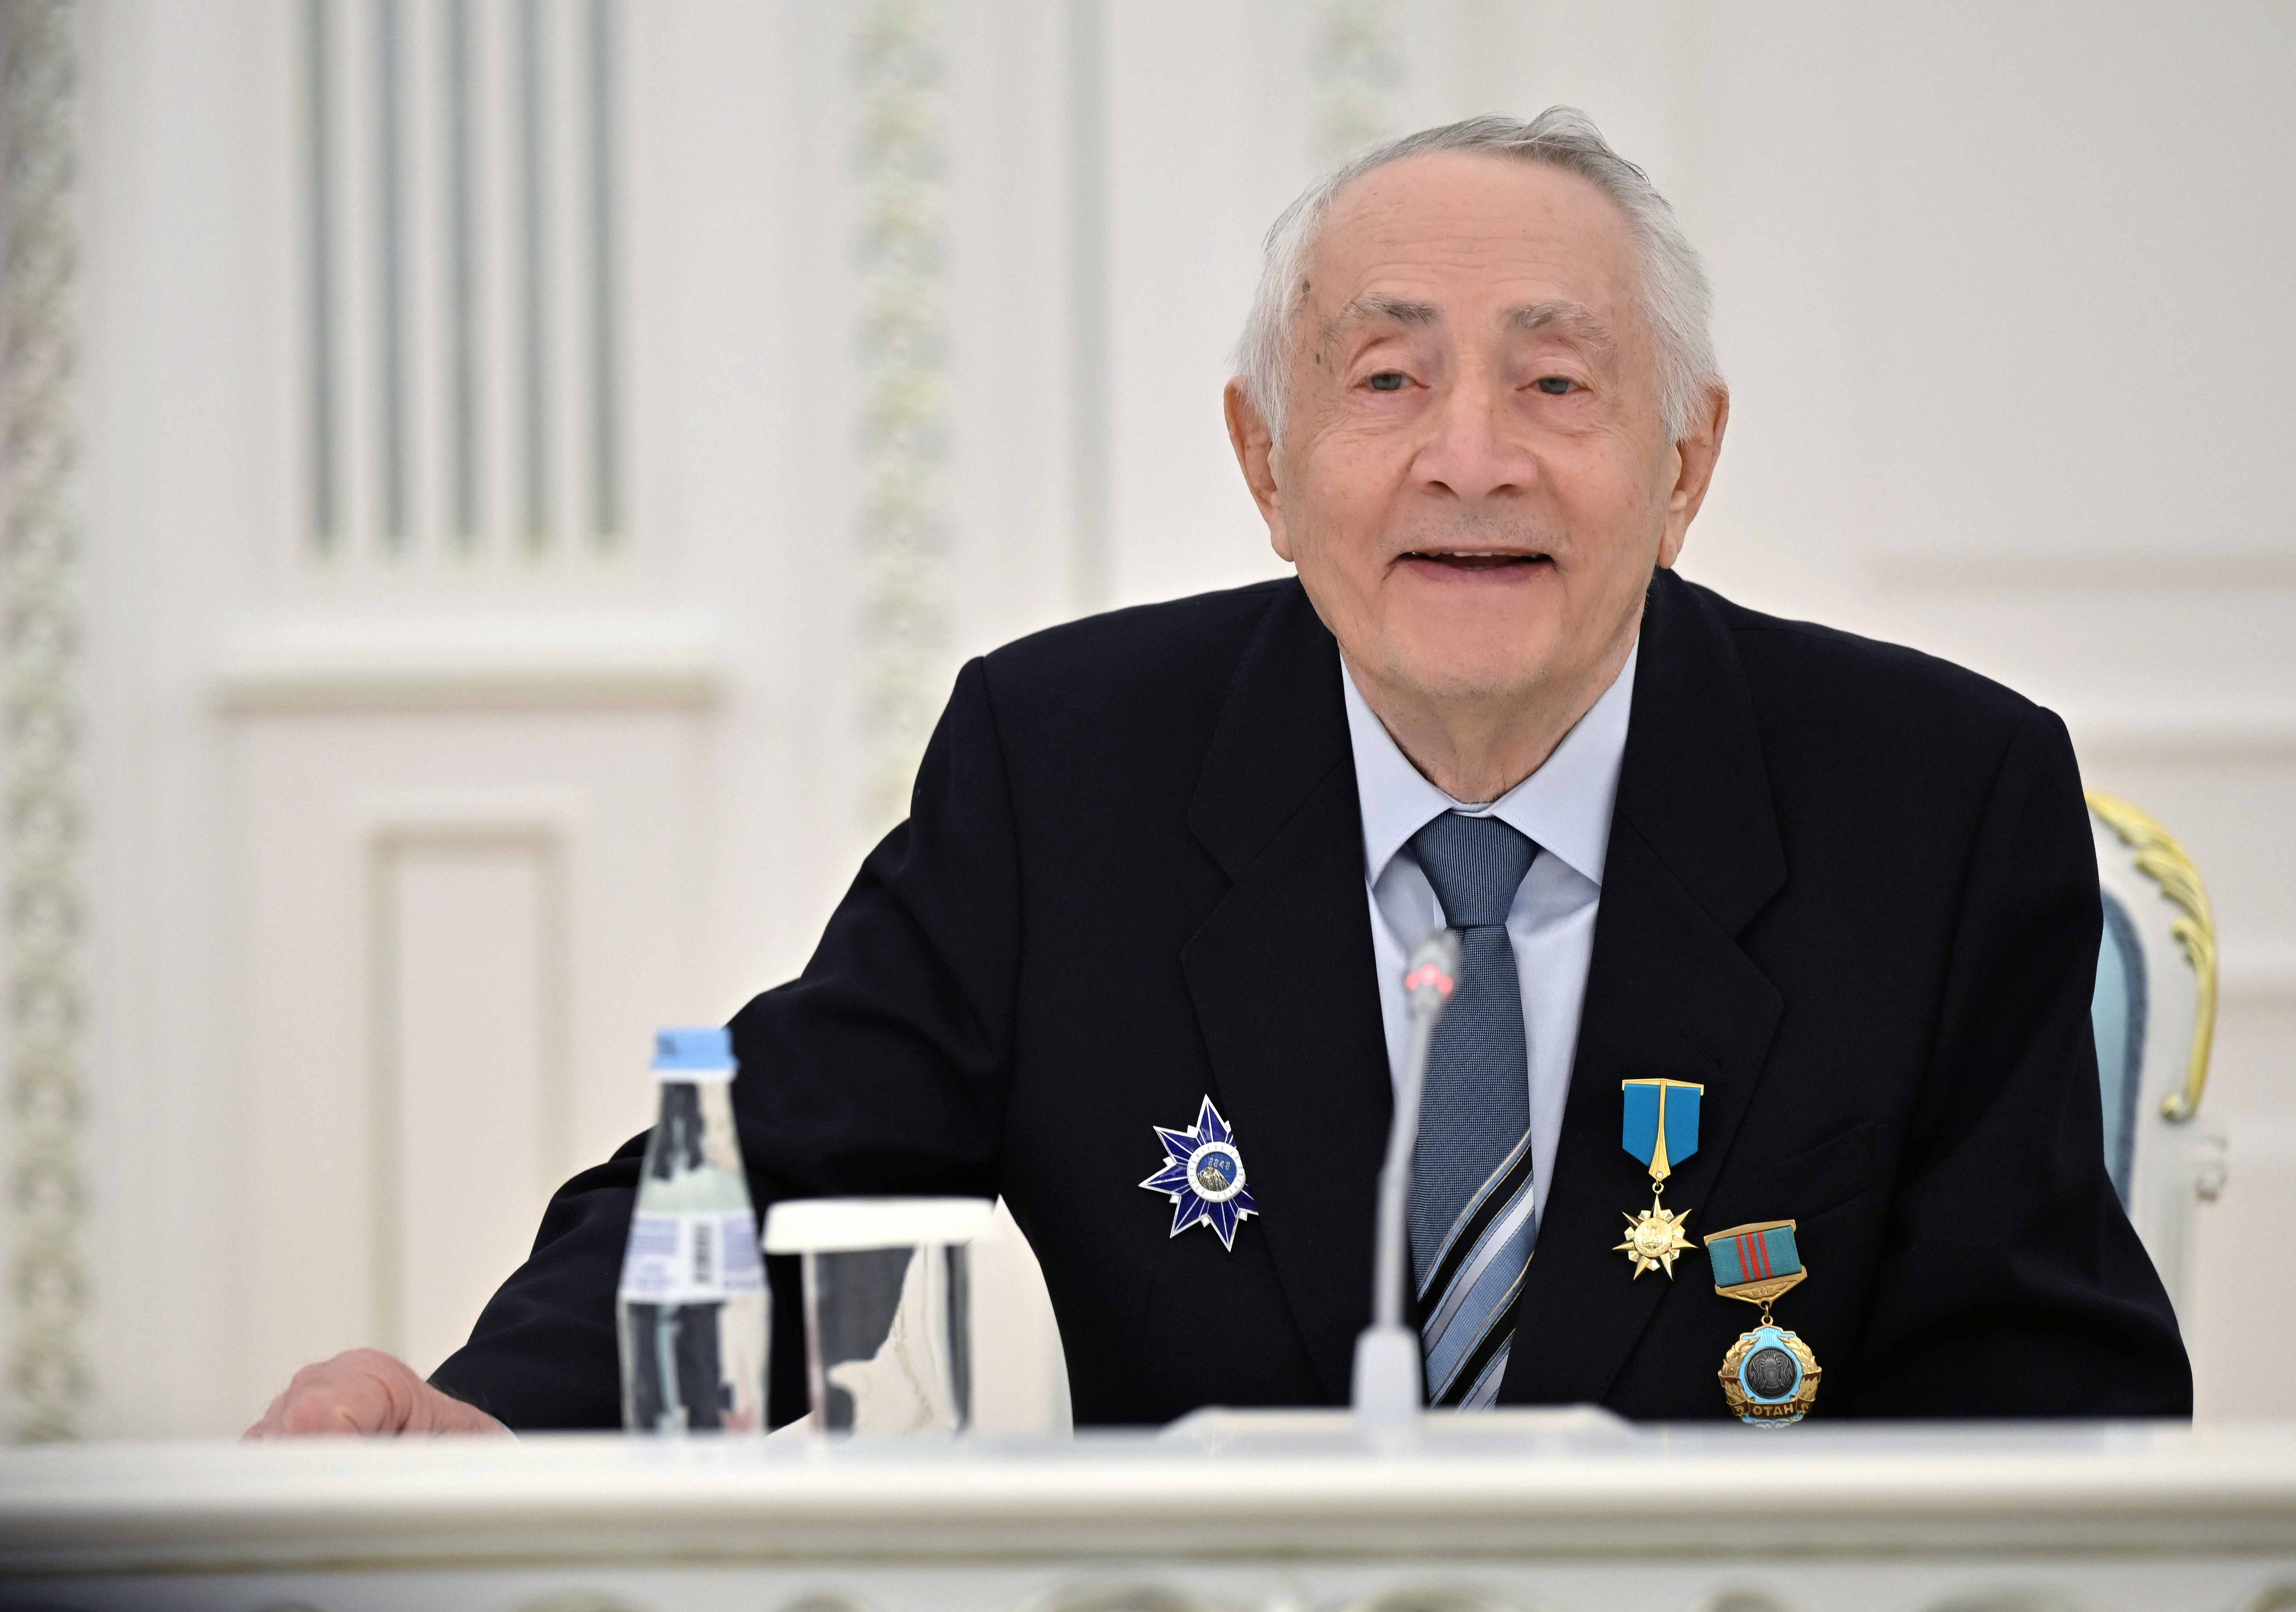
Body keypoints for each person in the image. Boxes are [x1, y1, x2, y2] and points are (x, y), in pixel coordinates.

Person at [250, 108, 2190, 1438]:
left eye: (1556, 381)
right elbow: (766, 1178)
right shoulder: (1069, 774)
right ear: (1266, 462)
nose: (1470, 457)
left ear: (1685, 464)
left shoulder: (1933, 803)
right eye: (1385, 379)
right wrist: (489, 1418)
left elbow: (2048, 1403)